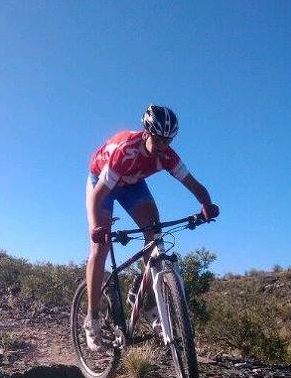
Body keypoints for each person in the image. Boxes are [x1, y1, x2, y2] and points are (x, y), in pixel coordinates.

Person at [84, 104, 219, 351]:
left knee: (154, 233)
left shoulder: (168, 156)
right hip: (102, 181)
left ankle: (147, 300)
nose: (162, 146)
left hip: (132, 183)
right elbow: (96, 196)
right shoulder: (125, 151)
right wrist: (96, 228)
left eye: (167, 141)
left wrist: (207, 204)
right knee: (99, 247)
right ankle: (91, 319)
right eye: (157, 140)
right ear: (146, 133)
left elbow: (194, 185)